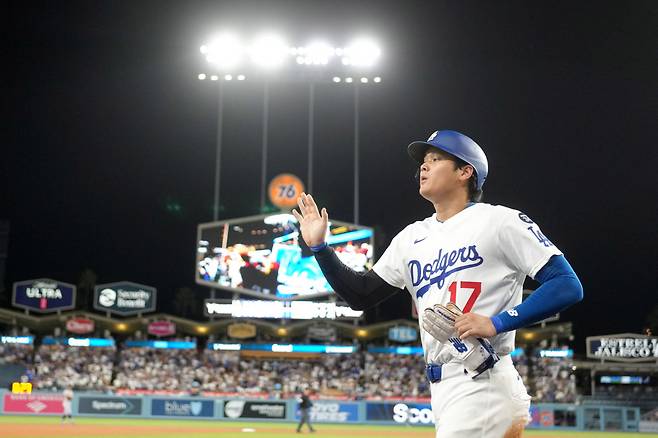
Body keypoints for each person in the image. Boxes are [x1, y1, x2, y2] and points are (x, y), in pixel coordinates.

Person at [292, 130, 583, 438]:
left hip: (482, 381)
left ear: (465, 171)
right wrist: (320, 249)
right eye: (423, 162)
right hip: (444, 388)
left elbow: (566, 284)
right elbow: (360, 294)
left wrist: (497, 322)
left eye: (435, 158)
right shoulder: (411, 237)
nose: (423, 167)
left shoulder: (500, 221)